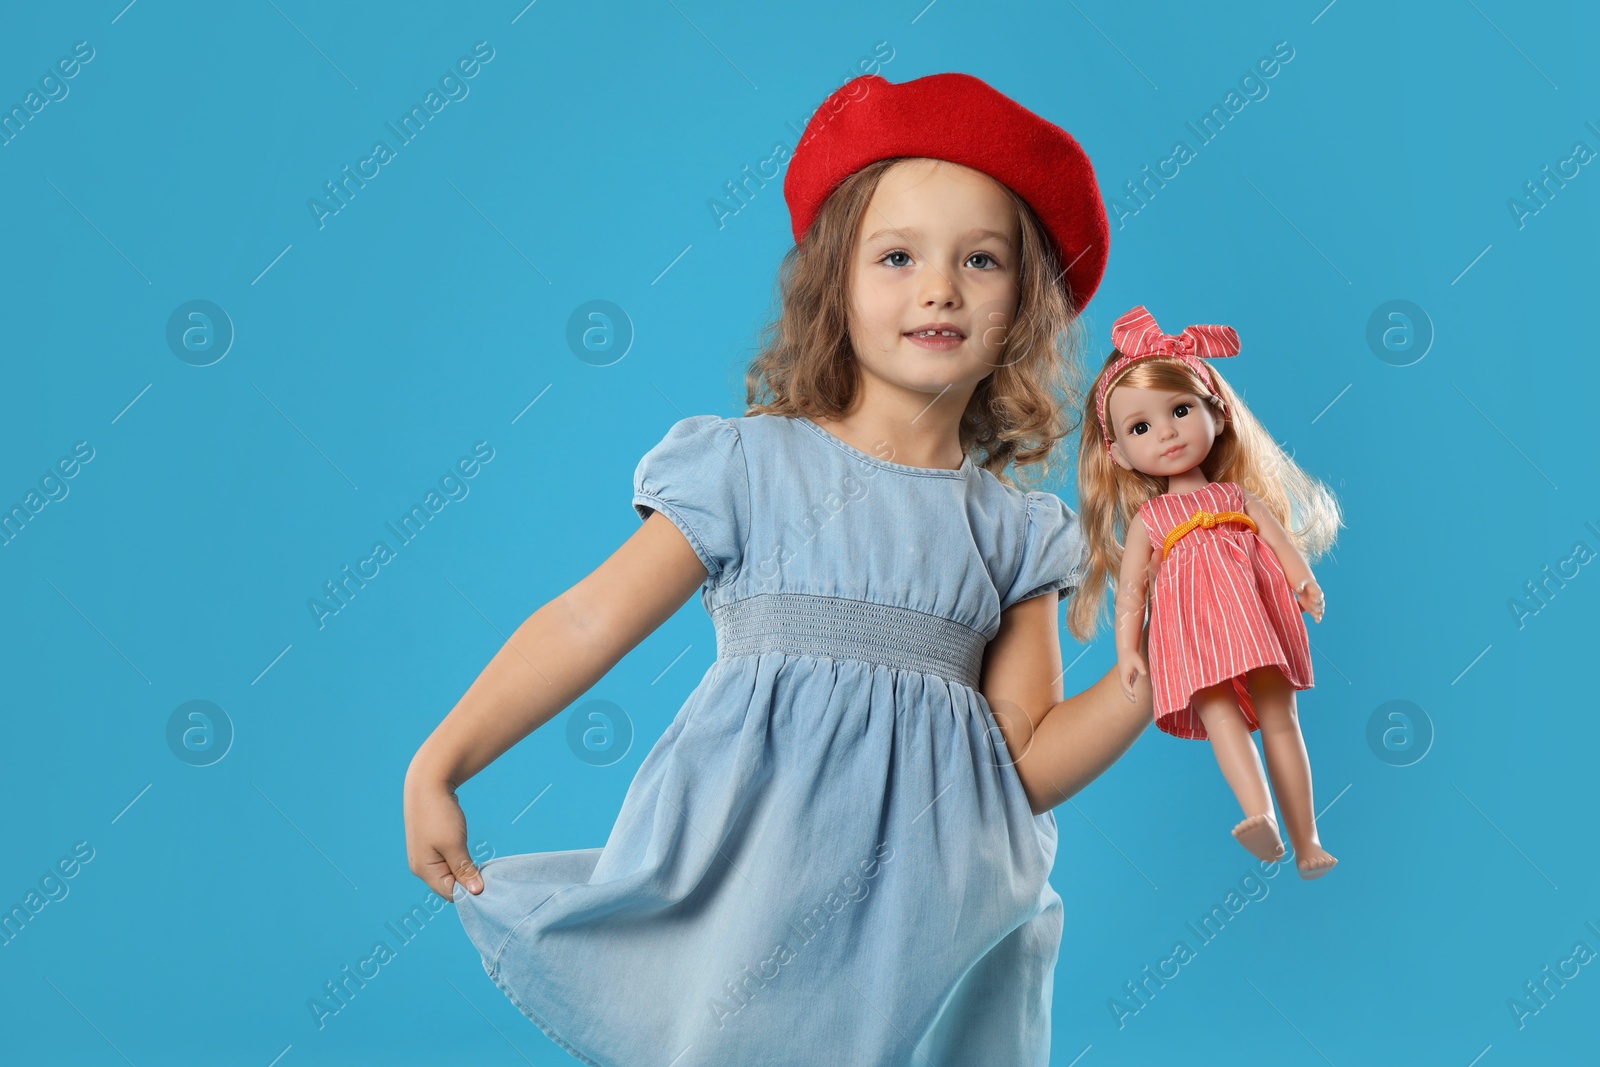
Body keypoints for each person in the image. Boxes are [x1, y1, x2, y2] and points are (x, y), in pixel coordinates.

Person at [403, 71, 1156, 1066]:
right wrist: (442, 758)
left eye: (981, 259)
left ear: (1023, 304)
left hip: (943, 914)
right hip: (761, 890)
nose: (939, 286)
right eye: (897, 255)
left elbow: (1023, 764)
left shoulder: (1015, 532)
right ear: (832, 286)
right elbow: (588, 620)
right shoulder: (748, 467)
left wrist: (1147, 673)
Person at [1068, 304, 1343, 879]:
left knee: (1280, 715)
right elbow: (1133, 594)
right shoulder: (1152, 521)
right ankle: (1258, 816)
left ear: (1216, 414)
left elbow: (1283, 549)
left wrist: (1304, 583)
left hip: (1254, 613)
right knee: (1218, 709)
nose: (1165, 432)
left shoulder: (1238, 501)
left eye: (1180, 410)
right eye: (1140, 427)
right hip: (1192, 629)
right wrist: (1127, 651)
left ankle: (1308, 838)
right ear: (1117, 451)